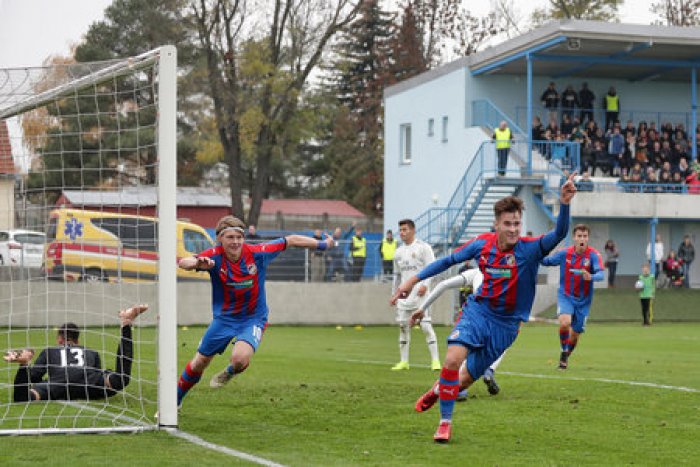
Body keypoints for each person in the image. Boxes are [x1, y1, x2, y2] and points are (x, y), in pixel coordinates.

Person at [391, 173, 577, 443]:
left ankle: (436, 391)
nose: (514, 229)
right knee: (453, 360)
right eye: (508, 224)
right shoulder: (482, 244)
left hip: (507, 326)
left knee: (464, 380)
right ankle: (445, 424)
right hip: (479, 311)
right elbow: (447, 262)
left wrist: (565, 203)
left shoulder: (530, 249)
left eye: (517, 223)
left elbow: (560, 233)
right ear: (496, 224)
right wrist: (413, 279)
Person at [176, 215, 335, 407]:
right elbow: (184, 262)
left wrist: (324, 245)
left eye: (239, 237)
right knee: (199, 363)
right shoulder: (213, 256)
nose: (235, 242)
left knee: (239, 359)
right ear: (220, 239)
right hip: (224, 320)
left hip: (253, 318)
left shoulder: (258, 252)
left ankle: (230, 371)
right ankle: (174, 402)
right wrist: (197, 264)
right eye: (230, 237)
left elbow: (291, 240)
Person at [3, 304, 149, 402]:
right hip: (88, 386)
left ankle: (23, 363)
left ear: (60, 339)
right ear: (77, 340)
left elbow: (33, 377)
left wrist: (28, 370)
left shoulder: (50, 351)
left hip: (58, 385)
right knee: (120, 379)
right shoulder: (91, 352)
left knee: (22, 397)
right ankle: (126, 325)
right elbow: (96, 372)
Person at [409, 266, 505, 402]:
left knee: (464, 349)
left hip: (474, 318)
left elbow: (443, 284)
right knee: (501, 346)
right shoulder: (508, 272)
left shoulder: (477, 271)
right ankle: (488, 371)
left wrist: (422, 308)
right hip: (498, 320)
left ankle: (456, 390)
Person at [540, 225, 605, 369]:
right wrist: (535, 254)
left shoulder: (593, 255)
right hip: (566, 295)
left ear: (587, 238)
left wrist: (591, 276)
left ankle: (565, 356)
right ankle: (564, 352)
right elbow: (547, 261)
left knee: (575, 335)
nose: (582, 239)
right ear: (574, 238)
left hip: (584, 300)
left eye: (585, 236)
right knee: (564, 323)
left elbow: (601, 274)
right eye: (579, 236)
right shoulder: (565, 253)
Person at [390, 219, 440, 371]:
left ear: (412, 230)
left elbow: (434, 268)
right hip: (405, 297)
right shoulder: (398, 252)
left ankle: (435, 361)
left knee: (425, 326)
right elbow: (397, 276)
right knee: (403, 327)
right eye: (400, 230)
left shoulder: (423, 248)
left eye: (405, 230)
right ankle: (404, 362)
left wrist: (425, 285)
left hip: (420, 294)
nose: (402, 233)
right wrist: (394, 294)